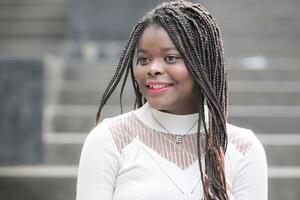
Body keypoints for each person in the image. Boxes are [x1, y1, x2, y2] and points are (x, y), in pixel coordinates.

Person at [76, 1, 268, 199]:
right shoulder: (110, 140)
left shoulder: (243, 148)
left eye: (170, 58)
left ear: (202, 64)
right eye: (144, 60)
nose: (152, 69)